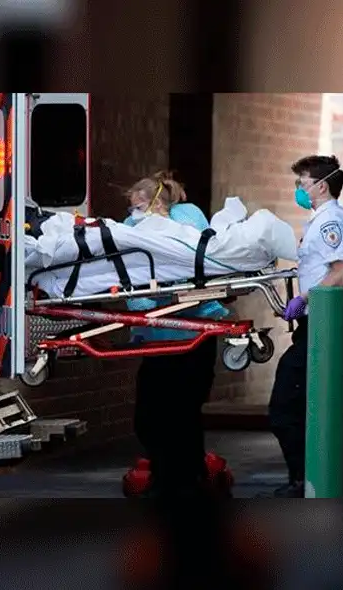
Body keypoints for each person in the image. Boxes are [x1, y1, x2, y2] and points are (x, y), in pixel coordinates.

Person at [264, 155, 343, 498]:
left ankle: (306, 482)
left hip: (323, 328)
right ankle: (328, 488)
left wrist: (303, 299)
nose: (298, 190)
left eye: (302, 183)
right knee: (319, 414)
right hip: (322, 327)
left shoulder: (329, 222)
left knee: (286, 409)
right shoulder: (326, 220)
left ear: (321, 186)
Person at [123, 171, 228, 498]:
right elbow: (136, 293)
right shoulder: (133, 229)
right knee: (157, 417)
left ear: (154, 203)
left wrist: (157, 296)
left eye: (137, 206)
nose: (132, 214)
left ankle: (178, 484)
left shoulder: (186, 222)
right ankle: (183, 477)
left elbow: (196, 266)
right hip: (165, 341)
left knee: (174, 415)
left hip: (190, 337)